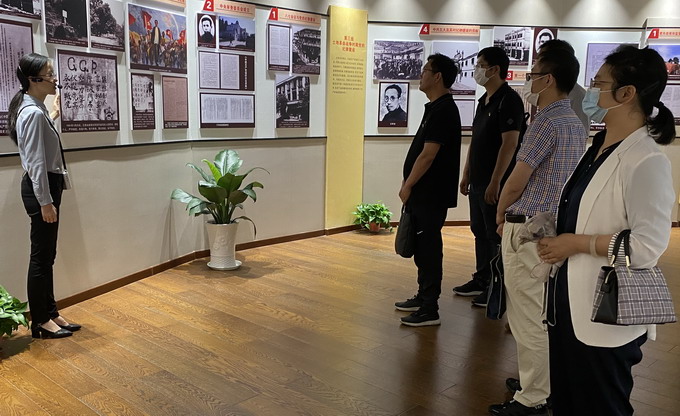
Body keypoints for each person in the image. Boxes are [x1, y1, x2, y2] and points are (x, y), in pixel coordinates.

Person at [538, 45, 676, 415]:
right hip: (569, 302)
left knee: (601, 405)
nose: (590, 92)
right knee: (567, 402)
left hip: (607, 311)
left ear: (626, 93)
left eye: (598, 84)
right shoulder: (599, 146)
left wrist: (576, 243)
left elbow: (647, 247)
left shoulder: (647, 160)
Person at [489, 49, 587, 416]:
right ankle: (541, 382)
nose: (528, 80)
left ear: (548, 79)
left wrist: (500, 212)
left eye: (532, 74)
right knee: (543, 312)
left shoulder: (546, 121)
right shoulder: (575, 122)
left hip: (527, 226)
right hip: (553, 226)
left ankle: (532, 397)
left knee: (527, 315)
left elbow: (518, 179)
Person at [7, 53, 81, 339]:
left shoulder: (35, 109)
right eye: (50, 74)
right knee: (41, 257)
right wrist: (45, 202)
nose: (54, 79)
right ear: (34, 80)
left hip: (46, 186)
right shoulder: (32, 113)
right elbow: (35, 162)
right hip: (43, 189)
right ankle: (40, 321)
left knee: (47, 255)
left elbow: (38, 141)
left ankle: (51, 312)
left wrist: (54, 113)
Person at [453, 47, 525, 306]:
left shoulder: (509, 100)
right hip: (478, 178)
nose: (476, 70)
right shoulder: (484, 100)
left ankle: (497, 285)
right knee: (478, 230)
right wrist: (466, 172)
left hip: (496, 182)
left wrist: (496, 181)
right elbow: (476, 139)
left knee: (495, 234)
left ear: (495, 69)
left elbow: (510, 144)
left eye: (480, 65)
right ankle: (482, 277)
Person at [394, 53, 462, 326]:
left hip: (431, 194)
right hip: (424, 194)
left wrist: (408, 184)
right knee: (422, 247)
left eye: (425, 71)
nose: (420, 75)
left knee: (429, 248)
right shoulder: (436, 107)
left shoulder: (444, 110)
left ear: (437, 77)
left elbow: (428, 155)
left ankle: (429, 308)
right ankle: (423, 296)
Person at [537, 39, 590, 131]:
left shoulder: (579, 96)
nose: (538, 63)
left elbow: (581, 132)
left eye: (543, 59)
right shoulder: (548, 97)